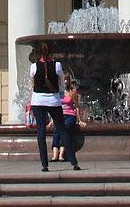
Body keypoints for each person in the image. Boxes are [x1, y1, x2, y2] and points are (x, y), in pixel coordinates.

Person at [30, 41, 78, 171]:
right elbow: (61, 84)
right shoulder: (57, 65)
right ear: (52, 53)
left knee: (41, 131)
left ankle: (44, 165)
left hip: (37, 101)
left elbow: (33, 85)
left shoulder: (33, 67)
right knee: (62, 130)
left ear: (38, 53)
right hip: (53, 101)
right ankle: (74, 163)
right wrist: (60, 94)